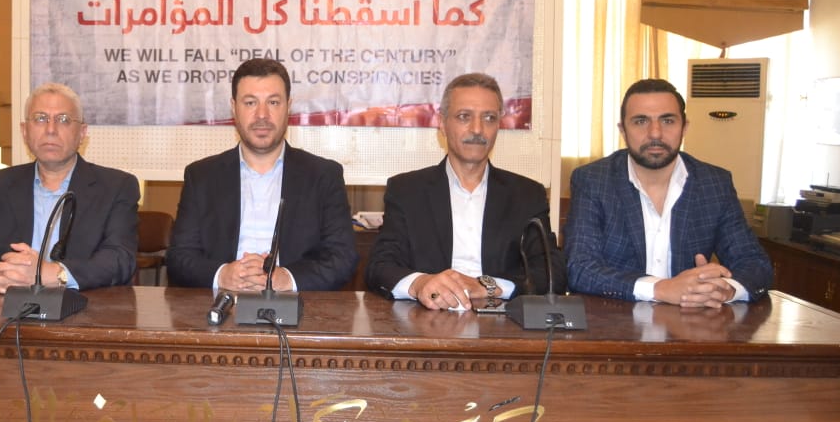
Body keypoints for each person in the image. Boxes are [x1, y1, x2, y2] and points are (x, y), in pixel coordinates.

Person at [564, 78, 772, 306]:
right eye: (641, 121)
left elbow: (755, 263)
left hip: (692, 321)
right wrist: (661, 288)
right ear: (623, 130)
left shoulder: (714, 184)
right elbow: (579, 268)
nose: (655, 133)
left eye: (668, 121)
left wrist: (725, 290)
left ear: (685, 127)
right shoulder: (593, 180)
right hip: (616, 320)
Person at [365, 73, 564, 311]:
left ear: (498, 125)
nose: (477, 129)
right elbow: (380, 266)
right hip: (427, 318)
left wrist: (489, 287)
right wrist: (420, 283)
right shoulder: (407, 191)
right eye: (464, 117)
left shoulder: (527, 194)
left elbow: (553, 273)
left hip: (503, 322)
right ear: (442, 123)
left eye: (489, 118)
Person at [166, 58, 357, 292]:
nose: (262, 115)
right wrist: (222, 275)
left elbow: (342, 257)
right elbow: (179, 257)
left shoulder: (323, 176)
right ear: (234, 107)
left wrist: (286, 278)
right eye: (250, 103)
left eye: (273, 102)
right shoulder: (201, 176)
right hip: (221, 302)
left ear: (288, 106)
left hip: (295, 305)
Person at [0, 82, 138, 292]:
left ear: (82, 133)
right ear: (24, 131)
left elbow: (120, 259)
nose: (50, 130)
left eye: (63, 120)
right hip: (7, 304)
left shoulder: (116, 186)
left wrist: (53, 274)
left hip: (84, 306)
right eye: (40, 119)